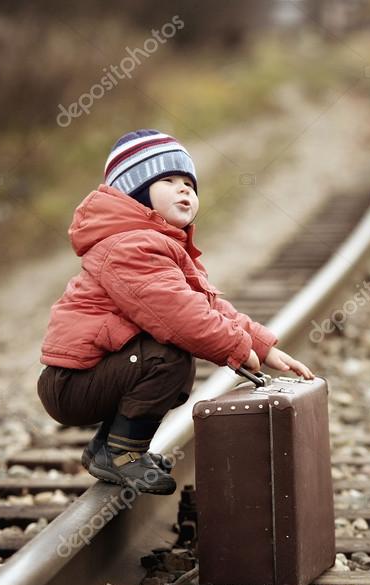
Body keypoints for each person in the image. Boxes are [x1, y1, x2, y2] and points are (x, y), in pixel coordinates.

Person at [37, 129, 313, 494]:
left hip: (91, 375)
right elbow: (179, 316)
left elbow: (206, 304)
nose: (184, 189)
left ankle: (110, 447)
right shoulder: (131, 246)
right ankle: (122, 454)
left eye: (189, 183)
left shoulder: (156, 242)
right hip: (73, 384)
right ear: (136, 193)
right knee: (168, 356)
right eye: (168, 180)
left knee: (169, 356)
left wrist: (262, 346)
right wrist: (233, 348)